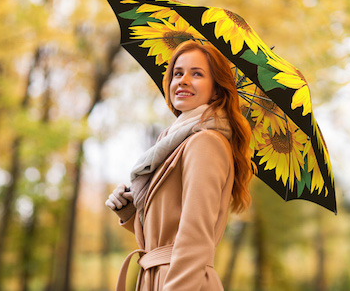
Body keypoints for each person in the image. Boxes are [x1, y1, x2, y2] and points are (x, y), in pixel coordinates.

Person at [105, 40, 253, 290]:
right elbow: (164, 237)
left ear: (216, 90)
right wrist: (130, 212)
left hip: (182, 282)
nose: (183, 80)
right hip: (158, 278)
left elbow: (194, 239)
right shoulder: (171, 144)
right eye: (178, 73)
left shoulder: (205, 143)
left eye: (197, 74)